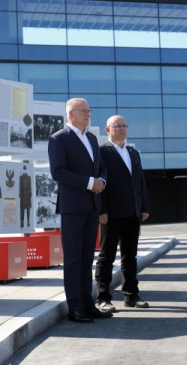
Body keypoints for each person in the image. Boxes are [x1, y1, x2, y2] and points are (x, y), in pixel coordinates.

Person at [48, 98, 110, 323]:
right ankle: (75, 309)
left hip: (92, 206)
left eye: (89, 110)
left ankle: (88, 304)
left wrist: (101, 180)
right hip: (73, 208)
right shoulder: (58, 139)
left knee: (86, 260)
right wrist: (88, 182)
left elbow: (101, 166)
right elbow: (58, 172)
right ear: (71, 113)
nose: (88, 114)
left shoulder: (92, 138)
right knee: (73, 260)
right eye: (84, 111)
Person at [95, 115, 150, 312]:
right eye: (117, 126)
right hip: (111, 214)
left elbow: (140, 182)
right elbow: (99, 182)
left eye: (124, 126)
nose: (121, 129)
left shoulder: (133, 153)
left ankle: (131, 295)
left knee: (130, 256)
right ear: (107, 129)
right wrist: (102, 210)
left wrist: (143, 207)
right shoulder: (101, 152)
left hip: (132, 213)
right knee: (106, 256)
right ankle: (103, 297)